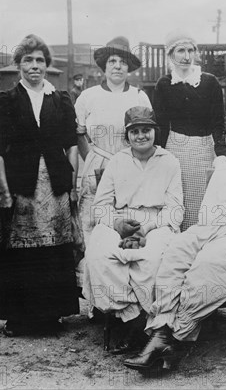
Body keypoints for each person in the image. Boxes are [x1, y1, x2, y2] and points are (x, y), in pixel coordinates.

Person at [123, 111, 226, 372]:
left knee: (206, 264)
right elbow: (207, 212)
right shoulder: (224, 165)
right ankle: (162, 328)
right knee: (176, 249)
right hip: (218, 228)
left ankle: (173, 338)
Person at [0, 34, 79, 336]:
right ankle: (18, 317)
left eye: (40, 60)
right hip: (21, 184)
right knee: (21, 251)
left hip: (55, 184)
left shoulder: (61, 98)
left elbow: (71, 146)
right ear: (19, 65)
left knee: (54, 249)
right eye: (28, 60)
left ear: (47, 65)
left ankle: (52, 315)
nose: (34, 65)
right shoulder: (7, 100)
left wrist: (73, 184)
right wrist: (3, 188)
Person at [84, 106, 183, 354]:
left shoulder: (169, 161)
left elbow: (175, 210)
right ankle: (133, 318)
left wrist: (147, 228)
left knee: (152, 259)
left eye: (146, 130)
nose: (141, 136)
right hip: (119, 218)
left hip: (156, 222)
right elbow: (100, 206)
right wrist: (117, 225)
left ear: (155, 132)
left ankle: (148, 319)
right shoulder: (118, 161)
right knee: (99, 254)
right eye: (135, 131)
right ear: (127, 135)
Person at [75, 37, 152, 301]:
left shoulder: (139, 96)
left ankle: (126, 296)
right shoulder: (88, 97)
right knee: (93, 225)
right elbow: (79, 134)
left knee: (126, 225)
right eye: (112, 61)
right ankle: (97, 300)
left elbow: (146, 135)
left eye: (122, 62)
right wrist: (92, 161)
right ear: (103, 66)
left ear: (129, 67)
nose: (117, 67)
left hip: (130, 166)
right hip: (97, 164)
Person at [153, 31, 226, 231]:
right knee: (176, 200)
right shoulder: (164, 84)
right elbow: (160, 123)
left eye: (190, 50)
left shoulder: (209, 82)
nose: (186, 56)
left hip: (204, 149)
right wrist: (159, 154)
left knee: (202, 202)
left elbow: (218, 122)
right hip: (175, 150)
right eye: (180, 51)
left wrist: (220, 155)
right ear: (171, 55)